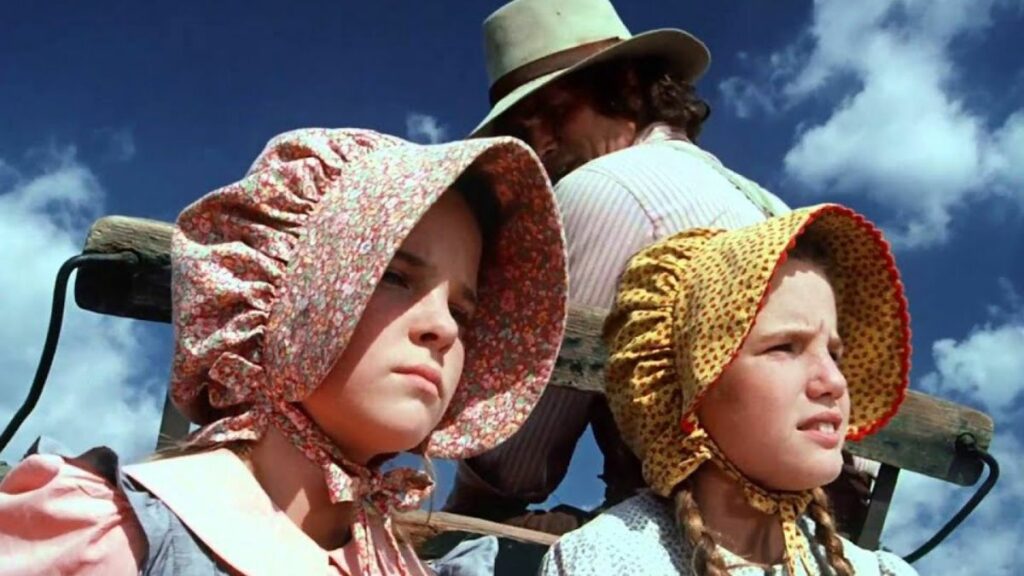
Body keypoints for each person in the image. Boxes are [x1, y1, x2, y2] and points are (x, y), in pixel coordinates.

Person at [0, 128, 569, 575]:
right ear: (286, 293)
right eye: (394, 275)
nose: (443, 327)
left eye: (463, 312)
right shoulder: (112, 540)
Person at [446, 0, 817, 535]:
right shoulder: (769, 203)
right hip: (811, 530)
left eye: (553, 113)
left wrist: (457, 515)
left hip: (695, 533)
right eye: (526, 132)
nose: (542, 145)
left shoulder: (601, 188)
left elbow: (515, 457)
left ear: (623, 85)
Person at [540, 204, 917, 575]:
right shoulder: (606, 561)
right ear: (690, 386)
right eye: (784, 347)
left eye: (835, 354)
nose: (834, 381)